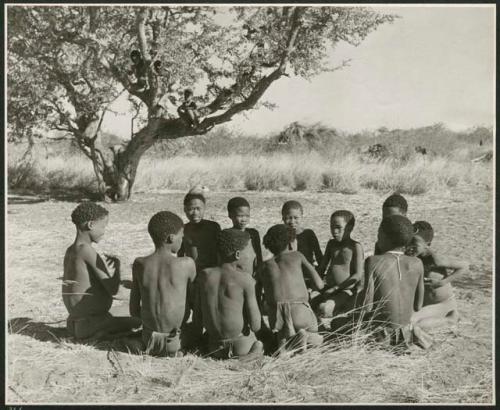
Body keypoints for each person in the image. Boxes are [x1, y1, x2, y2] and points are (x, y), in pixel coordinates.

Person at [62, 202, 141, 340]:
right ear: (91, 225)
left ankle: (101, 332)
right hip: (92, 323)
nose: (104, 231)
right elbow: (113, 290)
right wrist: (117, 268)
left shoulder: (71, 250)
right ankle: (102, 335)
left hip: (73, 323)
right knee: (139, 321)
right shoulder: (87, 251)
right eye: (103, 226)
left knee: (121, 312)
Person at [129, 211, 196, 357]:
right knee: (198, 330)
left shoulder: (140, 264)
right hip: (175, 340)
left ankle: (146, 347)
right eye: (181, 236)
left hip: (148, 339)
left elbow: (133, 310)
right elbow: (196, 303)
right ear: (171, 238)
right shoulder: (186, 264)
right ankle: (177, 351)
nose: (182, 240)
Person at [362, 215, 432, 352]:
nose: (377, 239)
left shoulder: (373, 261)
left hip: (383, 336)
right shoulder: (417, 263)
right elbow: (418, 306)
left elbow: (368, 306)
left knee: (338, 322)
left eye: (378, 235)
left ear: (384, 236)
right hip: (407, 333)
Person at [198, 229, 264, 359]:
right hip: (240, 345)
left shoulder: (203, 276)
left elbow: (197, 320)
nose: (252, 256)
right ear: (238, 254)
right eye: (249, 253)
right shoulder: (245, 279)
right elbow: (256, 325)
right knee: (259, 344)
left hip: (214, 347)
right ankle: (246, 360)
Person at [260, 224, 324, 353]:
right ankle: (307, 337)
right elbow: (319, 284)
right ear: (291, 243)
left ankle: (286, 343)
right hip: (299, 312)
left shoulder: (264, 266)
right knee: (319, 339)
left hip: (277, 318)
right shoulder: (297, 256)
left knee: (281, 344)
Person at [178, 190, 221, 347]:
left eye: (198, 208)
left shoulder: (213, 227)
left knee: (211, 308)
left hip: (211, 275)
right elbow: (180, 255)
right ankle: (196, 340)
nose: (194, 212)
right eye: (190, 208)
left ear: (204, 208)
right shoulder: (183, 230)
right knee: (196, 308)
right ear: (184, 209)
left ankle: (211, 337)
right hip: (193, 277)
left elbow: (219, 251)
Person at [407, 221, 467, 330]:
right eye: (409, 242)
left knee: (412, 323)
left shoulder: (436, 260)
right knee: (403, 320)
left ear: (427, 244)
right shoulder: (412, 257)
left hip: (443, 304)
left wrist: (443, 282)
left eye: (415, 243)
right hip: (425, 305)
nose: (411, 247)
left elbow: (464, 267)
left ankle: (450, 319)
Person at [313, 210, 364, 318]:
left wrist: (336, 288)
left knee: (324, 308)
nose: (334, 231)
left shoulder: (355, 247)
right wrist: (315, 285)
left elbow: (358, 275)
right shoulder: (331, 244)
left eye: (338, 227)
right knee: (307, 299)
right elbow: (322, 267)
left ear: (350, 228)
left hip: (344, 291)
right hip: (327, 288)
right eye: (332, 227)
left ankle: (341, 310)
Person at [281, 200, 323, 293]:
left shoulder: (308, 234)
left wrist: (319, 276)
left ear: (302, 217)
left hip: (307, 276)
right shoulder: (280, 235)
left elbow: (319, 256)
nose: (292, 221)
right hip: (287, 276)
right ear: (282, 218)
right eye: (288, 218)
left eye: (296, 218)